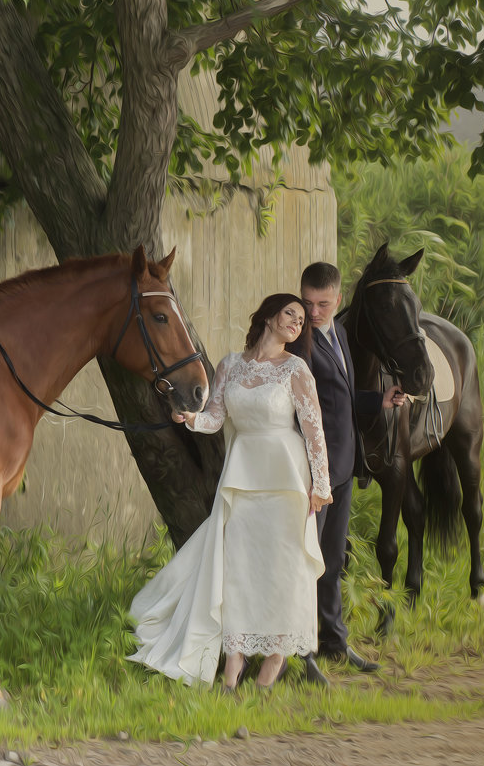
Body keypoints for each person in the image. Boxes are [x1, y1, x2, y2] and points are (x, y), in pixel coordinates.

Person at [127, 294, 330, 691]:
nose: (297, 323)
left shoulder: (296, 369)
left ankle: (273, 664)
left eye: (302, 320)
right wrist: (191, 418)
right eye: (290, 313)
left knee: (284, 570)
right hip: (242, 478)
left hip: (286, 480)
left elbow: (314, 429)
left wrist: (321, 484)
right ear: (269, 316)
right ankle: (232, 668)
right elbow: (217, 418)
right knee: (239, 569)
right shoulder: (230, 365)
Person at [288, 262, 406, 684]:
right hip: (311, 469)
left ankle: (335, 641)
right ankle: (302, 653)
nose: (313, 312)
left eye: (322, 303)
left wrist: (379, 401)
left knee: (333, 559)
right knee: (308, 560)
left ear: (338, 300)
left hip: (340, 466)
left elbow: (338, 395)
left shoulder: (337, 332)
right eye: (307, 302)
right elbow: (297, 405)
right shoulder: (297, 342)